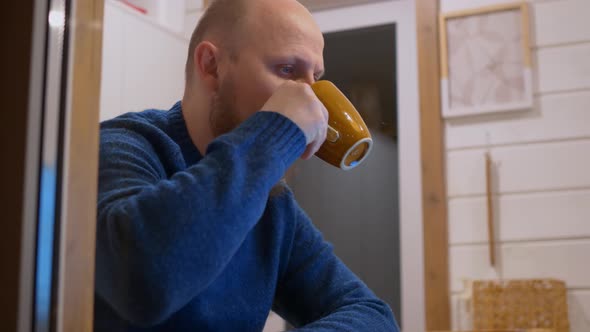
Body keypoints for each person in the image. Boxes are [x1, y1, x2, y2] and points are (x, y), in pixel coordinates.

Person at [94, 0, 399, 330]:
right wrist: (277, 131)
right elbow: (146, 282)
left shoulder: (273, 206)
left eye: (316, 78)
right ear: (212, 66)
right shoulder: (122, 146)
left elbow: (372, 315)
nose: (311, 102)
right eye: (286, 71)